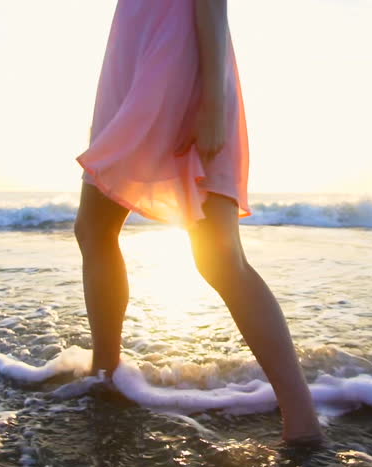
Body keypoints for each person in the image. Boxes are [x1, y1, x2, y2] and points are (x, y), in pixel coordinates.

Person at [73, 0, 324, 444]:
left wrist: (212, 96)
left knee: (219, 256)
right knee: (94, 228)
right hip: (136, 56)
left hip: (176, 64)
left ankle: (302, 419)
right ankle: (105, 373)